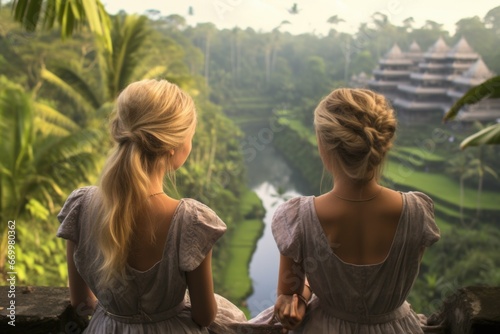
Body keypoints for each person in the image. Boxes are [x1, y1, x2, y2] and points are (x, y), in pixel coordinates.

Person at [56, 79, 245, 333]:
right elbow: (204, 315)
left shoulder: (81, 207)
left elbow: (81, 303)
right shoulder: (190, 221)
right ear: (173, 146)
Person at [270, 88, 440, 333]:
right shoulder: (416, 213)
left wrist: (302, 298)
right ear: (384, 145)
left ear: (324, 148)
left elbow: (289, 295)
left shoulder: (300, 217)